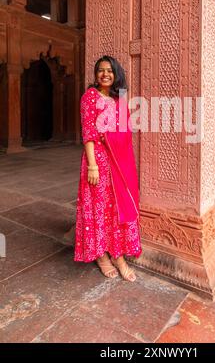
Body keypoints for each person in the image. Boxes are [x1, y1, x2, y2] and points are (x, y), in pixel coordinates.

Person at [74, 55, 142, 281]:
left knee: (115, 210)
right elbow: (89, 133)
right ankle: (101, 256)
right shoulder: (89, 98)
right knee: (98, 208)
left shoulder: (118, 100)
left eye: (110, 71)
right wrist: (92, 165)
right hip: (99, 161)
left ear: (116, 74)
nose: (105, 74)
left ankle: (118, 255)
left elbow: (124, 133)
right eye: (101, 70)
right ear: (95, 74)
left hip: (118, 164)